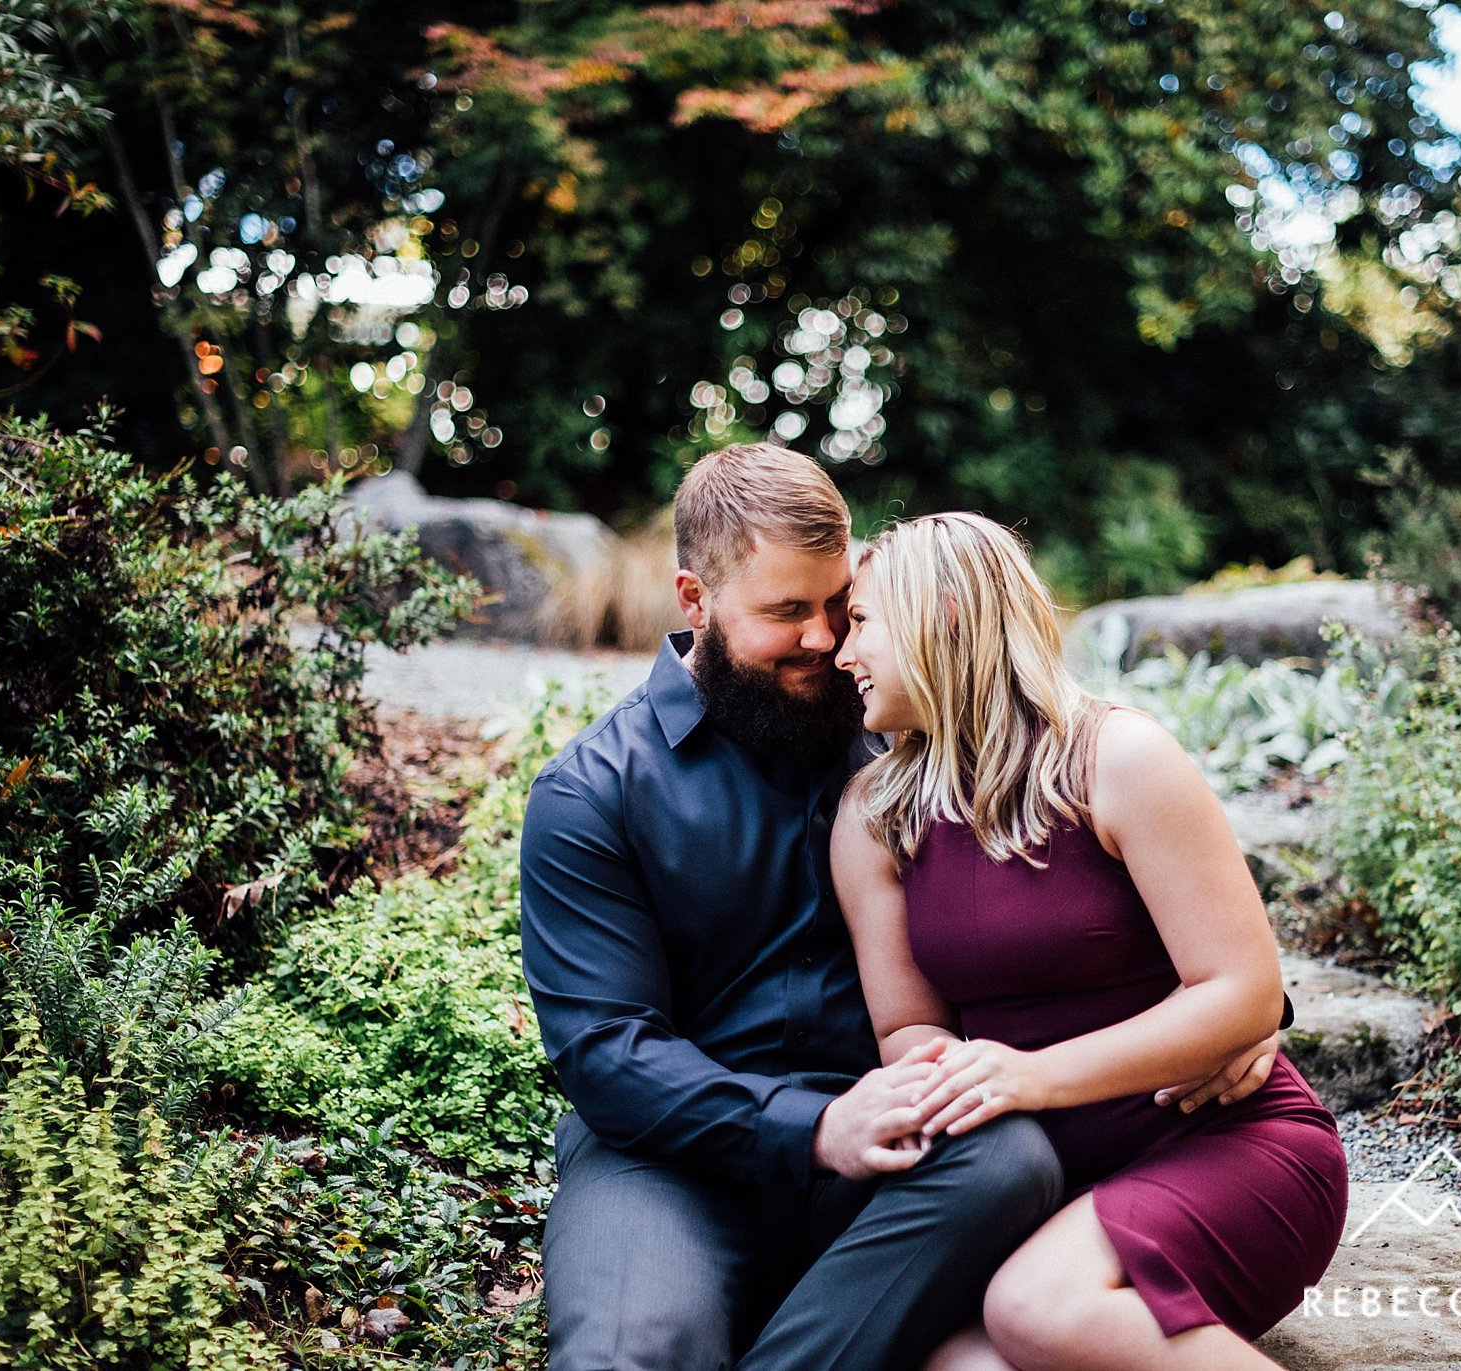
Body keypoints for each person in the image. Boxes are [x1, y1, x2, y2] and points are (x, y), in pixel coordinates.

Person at [519, 445, 1282, 1371]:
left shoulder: (907, 736)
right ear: (695, 600)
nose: (824, 641)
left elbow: (1103, 914)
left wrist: (1250, 1020)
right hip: (670, 1160)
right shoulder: (593, 792)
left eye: (839, 607)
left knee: (1007, 1161)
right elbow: (606, 1053)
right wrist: (809, 1127)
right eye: (785, 612)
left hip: (899, 1153)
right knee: (633, 1353)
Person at [831, 511, 1349, 1371]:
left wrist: (1033, 1075)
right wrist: (948, 1088)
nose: (843, 652)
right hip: (1038, 1186)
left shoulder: (1119, 758)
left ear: (945, 612)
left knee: (1038, 1307)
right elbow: (908, 1031)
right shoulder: (873, 817)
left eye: (861, 621)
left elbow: (1243, 990)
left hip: (1227, 1147)